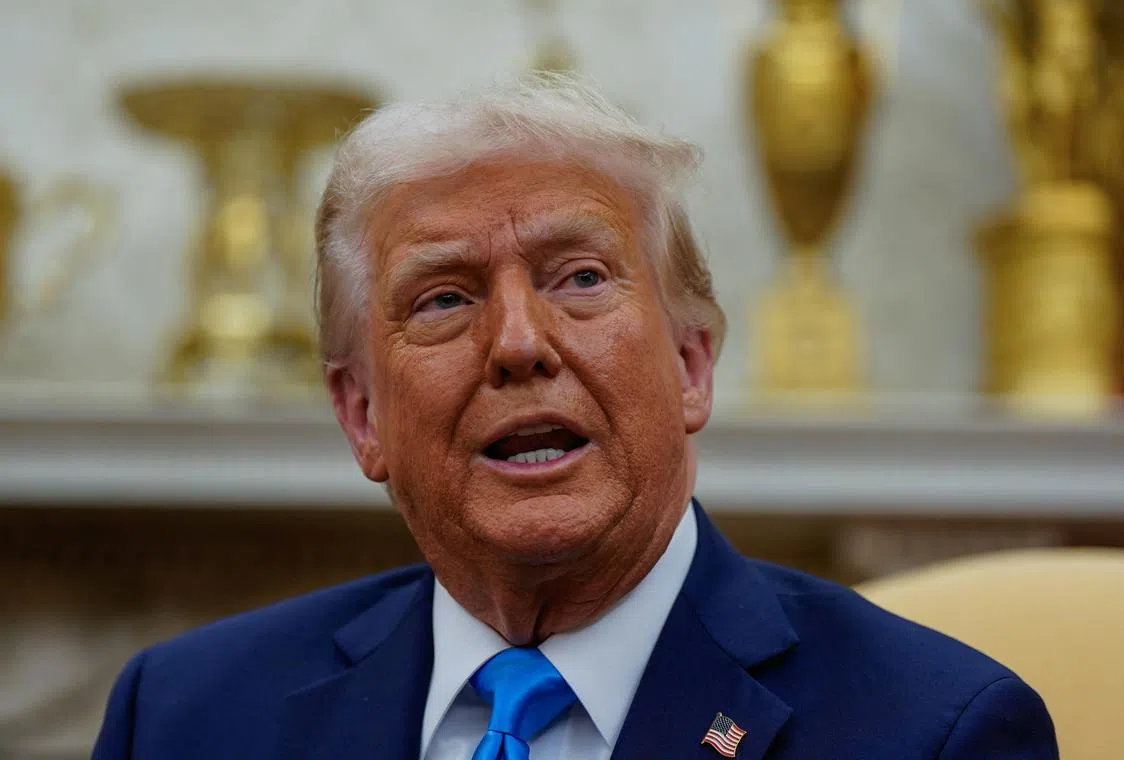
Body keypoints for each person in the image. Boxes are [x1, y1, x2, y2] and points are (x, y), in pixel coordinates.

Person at [92, 75, 1058, 760]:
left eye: (581, 278)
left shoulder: (937, 731)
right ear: (361, 415)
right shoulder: (183, 718)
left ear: (690, 367)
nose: (518, 341)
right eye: (443, 299)